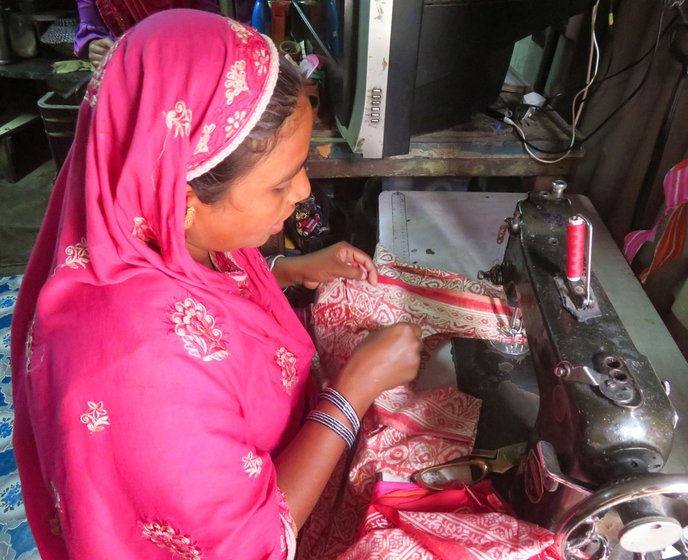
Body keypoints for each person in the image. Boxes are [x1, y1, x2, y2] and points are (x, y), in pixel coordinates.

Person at [11, 10, 422, 558]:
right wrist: (352, 393)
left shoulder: (145, 226)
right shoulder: (141, 374)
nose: (301, 192)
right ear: (180, 205)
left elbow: (196, 286)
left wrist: (289, 270)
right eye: (280, 185)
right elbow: (250, 544)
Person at [74, 0, 220, 67]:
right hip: (127, 72)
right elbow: (91, 29)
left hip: (187, 64)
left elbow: (211, 23)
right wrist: (94, 45)